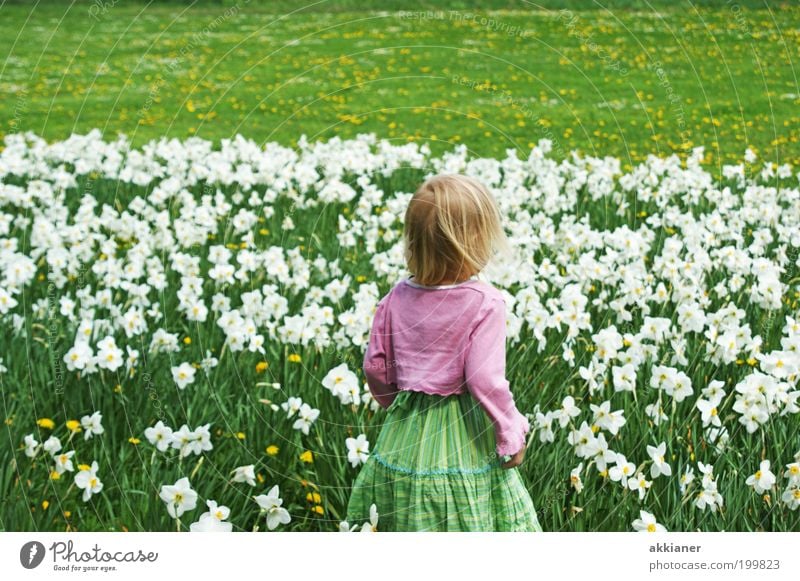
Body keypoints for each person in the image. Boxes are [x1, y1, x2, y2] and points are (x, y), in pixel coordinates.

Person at [345, 173, 543, 532]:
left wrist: (398, 404)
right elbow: (483, 378)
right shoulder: (485, 303)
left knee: (402, 513)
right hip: (463, 428)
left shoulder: (395, 298)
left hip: (405, 429)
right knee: (467, 511)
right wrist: (510, 431)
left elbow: (376, 366)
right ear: (475, 243)